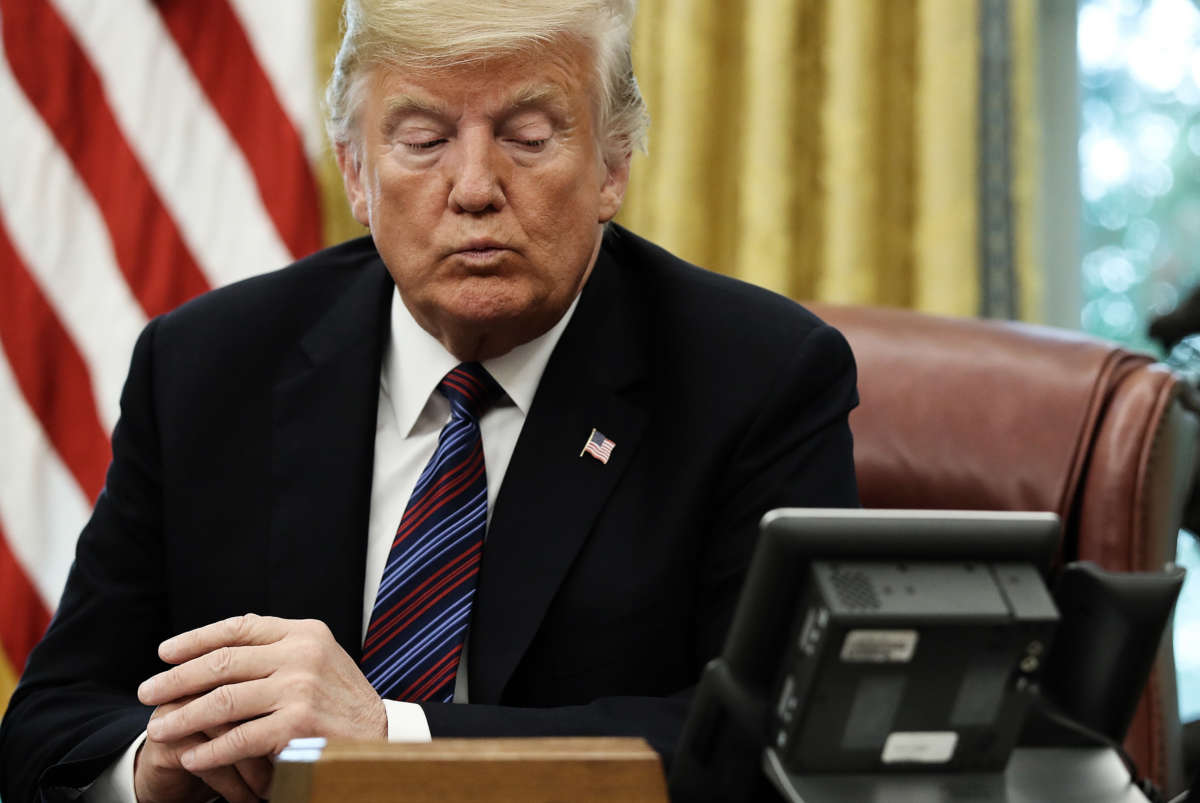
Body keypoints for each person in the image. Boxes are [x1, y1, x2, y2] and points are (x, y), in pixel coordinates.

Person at [0, 1, 859, 800]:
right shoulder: (206, 367)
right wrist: (161, 761)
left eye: (527, 136)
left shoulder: (758, 379)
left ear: (613, 164)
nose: (475, 185)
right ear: (355, 173)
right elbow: (51, 724)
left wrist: (391, 737)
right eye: (422, 138)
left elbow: (773, 743)